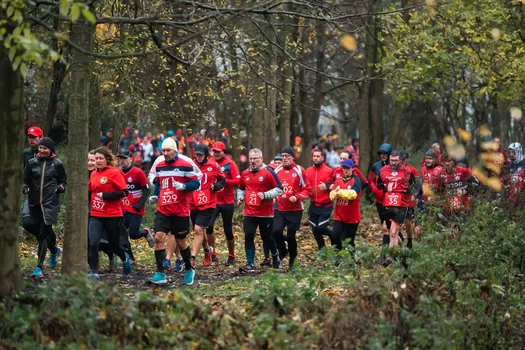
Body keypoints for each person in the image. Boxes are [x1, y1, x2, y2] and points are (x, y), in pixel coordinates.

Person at [149, 138, 201, 285]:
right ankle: (160, 273)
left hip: (180, 210)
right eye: (163, 151)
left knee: (180, 241)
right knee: (159, 238)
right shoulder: (159, 166)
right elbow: (159, 183)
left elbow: (196, 183)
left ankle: (189, 269)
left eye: (168, 151)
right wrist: (155, 195)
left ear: (175, 150)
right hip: (163, 208)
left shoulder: (185, 165)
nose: (165, 153)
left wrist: (183, 186)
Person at [23, 137, 67, 278]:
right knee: (35, 228)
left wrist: (59, 188)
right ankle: (54, 250)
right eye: (40, 148)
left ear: (50, 150)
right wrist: (25, 188)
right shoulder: (31, 163)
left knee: (43, 234)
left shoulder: (57, 164)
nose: (41, 150)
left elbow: (63, 181)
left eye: (45, 148)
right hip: (34, 203)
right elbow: (25, 180)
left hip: (50, 204)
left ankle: (38, 267)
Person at [88, 147, 133, 280]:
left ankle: (125, 258)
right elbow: (91, 190)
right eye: (96, 158)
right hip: (96, 214)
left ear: (107, 159)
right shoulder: (93, 174)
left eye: (100, 158)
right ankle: (93, 272)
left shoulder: (114, 173)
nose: (98, 161)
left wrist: (106, 195)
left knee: (113, 244)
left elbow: (125, 192)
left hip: (112, 215)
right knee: (93, 243)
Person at [237, 148, 283, 272]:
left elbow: (279, 189)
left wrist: (266, 195)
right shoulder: (245, 173)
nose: (252, 161)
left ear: (261, 159)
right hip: (249, 211)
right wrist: (240, 197)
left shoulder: (268, 172)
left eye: (255, 159)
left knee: (266, 237)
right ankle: (250, 263)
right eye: (250, 159)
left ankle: (275, 256)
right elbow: (241, 188)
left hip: (265, 212)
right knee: (249, 235)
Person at [272, 147, 311, 269]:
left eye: (287, 156)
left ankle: (292, 261)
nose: (284, 158)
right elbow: (272, 186)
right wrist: (272, 197)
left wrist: (298, 197)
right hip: (280, 208)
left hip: (295, 210)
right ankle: (283, 250)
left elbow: (307, 188)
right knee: (275, 232)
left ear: (292, 157)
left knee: (290, 236)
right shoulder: (277, 170)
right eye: (283, 156)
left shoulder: (300, 170)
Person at [376, 150, 416, 264]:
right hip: (388, 204)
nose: (393, 163)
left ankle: (391, 259)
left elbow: (416, 185)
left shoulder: (407, 171)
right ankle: (402, 253)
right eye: (391, 160)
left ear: (400, 160)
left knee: (393, 232)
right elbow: (378, 184)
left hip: (402, 205)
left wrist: (409, 191)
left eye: (396, 160)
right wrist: (383, 186)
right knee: (389, 231)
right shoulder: (383, 170)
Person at [190, 143, 226, 266]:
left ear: (206, 155)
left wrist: (216, 186)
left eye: (201, 155)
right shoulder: (191, 165)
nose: (199, 157)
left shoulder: (213, 165)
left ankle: (192, 258)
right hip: (193, 202)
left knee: (198, 229)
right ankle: (207, 251)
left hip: (208, 202)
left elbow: (223, 180)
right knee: (199, 232)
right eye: (197, 155)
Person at [207, 141, 241, 266]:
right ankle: (212, 252)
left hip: (227, 202)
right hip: (213, 201)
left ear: (223, 151)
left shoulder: (230, 164)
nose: (215, 153)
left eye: (218, 151)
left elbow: (238, 180)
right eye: (214, 151)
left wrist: (224, 181)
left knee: (228, 230)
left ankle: (231, 255)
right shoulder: (210, 162)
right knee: (208, 226)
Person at [117, 149, 155, 262]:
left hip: (135, 209)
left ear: (131, 159)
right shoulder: (117, 173)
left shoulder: (138, 172)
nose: (122, 160)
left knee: (133, 234)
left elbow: (147, 190)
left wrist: (139, 205)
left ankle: (146, 232)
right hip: (122, 209)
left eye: (124, 158)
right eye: (120, 158)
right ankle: (131, 258)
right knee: (122, 236)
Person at [305, 149, 335, 250]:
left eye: (318, 156)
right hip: (313, 205)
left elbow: (336, 185)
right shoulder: (308, 171)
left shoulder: (329, 171)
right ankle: (322, 251)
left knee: (321, 228)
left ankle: (334, 236)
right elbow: (304, 185)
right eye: (314, 156)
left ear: (322, 158)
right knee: (315, 230)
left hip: (326, 205)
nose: (316, 158)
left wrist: (327, 186)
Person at [329, 159, 361, 252]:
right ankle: (337, 259)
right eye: (344, 168)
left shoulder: (356, 180)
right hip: (339, 215)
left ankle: (351, 261)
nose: (346, 170)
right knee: (335, 236)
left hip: (352, 217)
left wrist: (339, 192)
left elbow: (353, 194)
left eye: (348, 168)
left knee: (349, 241)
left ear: (352, 169)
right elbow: (332, 195)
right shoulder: (338, 180)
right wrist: (334, 194)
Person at [368, 143, 392, 251]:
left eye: (385, 154)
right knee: (386, 226)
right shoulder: (375, 166)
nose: (383, 155)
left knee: (389, 227)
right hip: (379, 200)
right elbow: (371, 180)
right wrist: (375, 190)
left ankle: (385, 253)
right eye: (381, 153)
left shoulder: (394, 166)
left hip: (391, 200)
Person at [22, 126, 44, 237]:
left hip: (46, 195)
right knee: (27, 222)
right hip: (31, 194)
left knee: (43, 225)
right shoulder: (25, 154)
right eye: (29, 137)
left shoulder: (48, 153)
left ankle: (51, 248)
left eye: (34, 137)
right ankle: (44, 240)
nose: (31, 140)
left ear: (41, 138)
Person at [401, 151, 419, 249]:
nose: (403, 161)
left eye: (405, 159)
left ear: (408, 159)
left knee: (408, 222)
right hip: (398, 199)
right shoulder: (396, 170)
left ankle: (409, 241)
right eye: (402, 159)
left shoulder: (412, 170)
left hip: (409, 199)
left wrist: (414, 194)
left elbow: (417, 184)